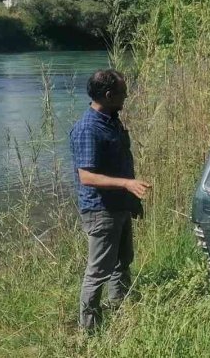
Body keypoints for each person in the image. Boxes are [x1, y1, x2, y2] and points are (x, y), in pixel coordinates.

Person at [69, 69, 151, 331]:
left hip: (119, 207)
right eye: (123, 93)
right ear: (108, 95)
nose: (126, 97)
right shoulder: (88, 129)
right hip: (100, 211)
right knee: (98, 273)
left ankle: (120, 309)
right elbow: (87, 177)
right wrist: (127, 184)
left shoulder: (111, 120)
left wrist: (131, 199)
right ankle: (90, 332)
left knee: (122, 262)